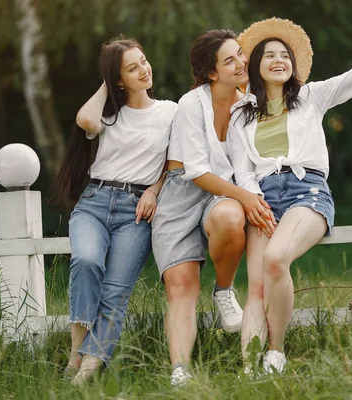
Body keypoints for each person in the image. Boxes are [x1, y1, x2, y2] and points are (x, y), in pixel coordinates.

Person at [227, 18, 352, 374]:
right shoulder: (240, 115)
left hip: (307, 192)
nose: (279, 60)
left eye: (284, 56)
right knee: (256, 285)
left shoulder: (309, 97)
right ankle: (248, 368)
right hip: (261, 197)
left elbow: (350, 81)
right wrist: (253, 199)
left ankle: (276, 353)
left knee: (275, 259)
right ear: (256, 66)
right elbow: (242, 169)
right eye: (269, 55)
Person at [151, 29, 275, 387]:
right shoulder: (193, 103)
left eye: (240, 54)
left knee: (229, 217)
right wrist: (246, 196)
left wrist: (248, 197)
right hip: (181, 192)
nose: (241, 63)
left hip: (223, 193)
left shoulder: (249, 103)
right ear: (211, 73)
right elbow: (197, 172)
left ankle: (223, 291)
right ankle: (181, 371)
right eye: (229, 60)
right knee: (181, 285)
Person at [51, 37, 177, 385]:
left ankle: (84, 376)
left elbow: (178, 161)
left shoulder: (170, 111)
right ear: (117, 80)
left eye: (144, 61)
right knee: (86, 262)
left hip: (136, 211)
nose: (144, 69)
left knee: (115, 293)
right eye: (132, 67)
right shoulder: (107, 114)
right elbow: (84, 119)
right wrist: (108, 84)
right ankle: (77, 353)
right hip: (94, 203)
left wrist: (154, 189)